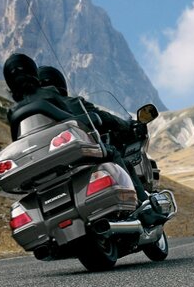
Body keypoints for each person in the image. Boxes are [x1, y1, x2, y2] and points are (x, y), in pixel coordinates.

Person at [38, 65, 149, 202]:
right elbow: (103, 118)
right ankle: (144, 206)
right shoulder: (71, 103)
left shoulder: (29, 112)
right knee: (117, 157)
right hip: (79, 158)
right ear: (59, 83)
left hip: (45, 171)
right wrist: (127, 125)